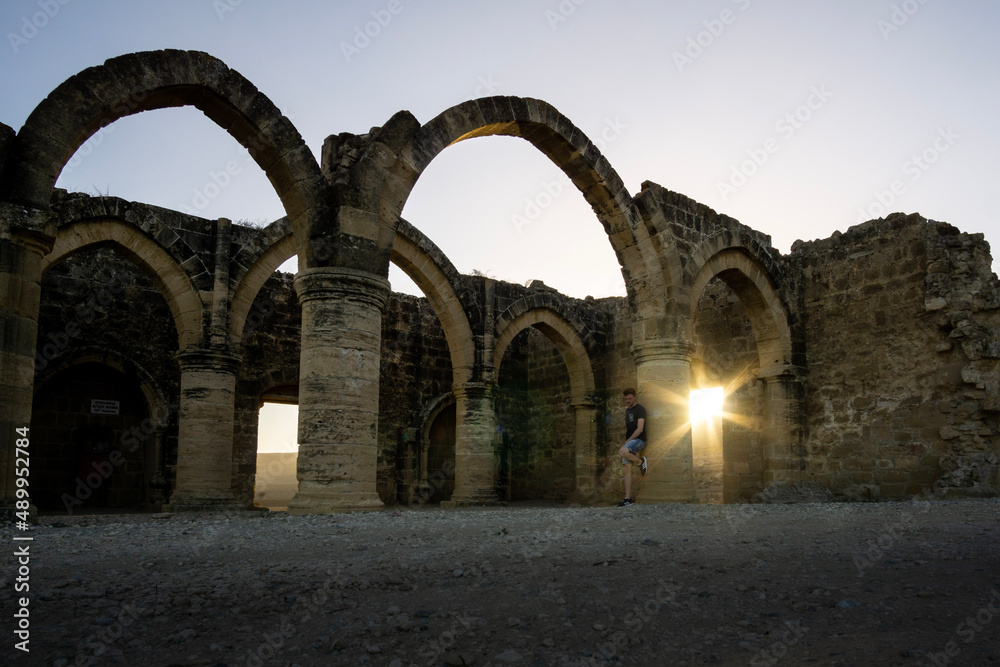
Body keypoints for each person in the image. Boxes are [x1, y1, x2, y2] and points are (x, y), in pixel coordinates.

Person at [617, 388, 647, 506]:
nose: (628, 401)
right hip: (630, 442)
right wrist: (628, 442)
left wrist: (627, 442)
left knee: (622, 452)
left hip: (639, 440)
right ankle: (628, 499)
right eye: (626, 399)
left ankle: (640, 461)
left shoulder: (640, 409)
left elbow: (640, 429)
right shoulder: (627, 410)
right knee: (626, 469)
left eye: (630, 398)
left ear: (635, 397)